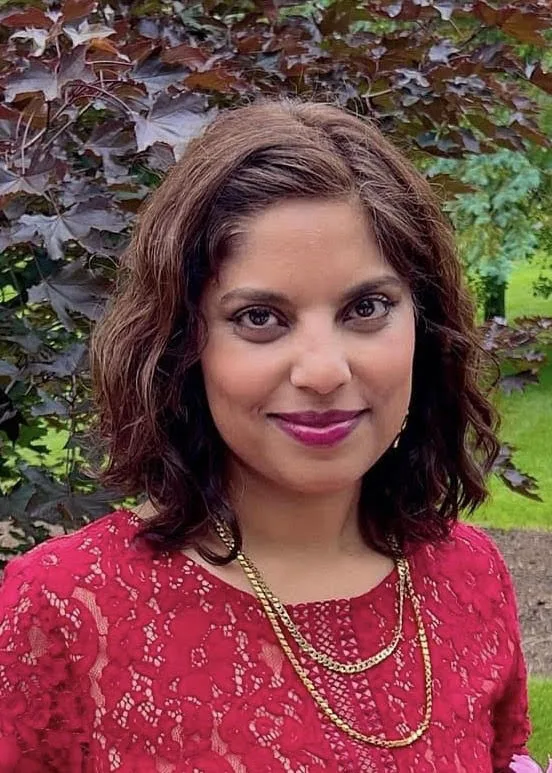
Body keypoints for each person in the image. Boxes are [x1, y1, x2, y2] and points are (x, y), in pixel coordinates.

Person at [0, 99, 533, 772]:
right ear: (182, 344)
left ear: (423, 327)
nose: (322, 370)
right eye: (260, 317)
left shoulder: (469, 575)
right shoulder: (67, 610)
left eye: (365, 308)